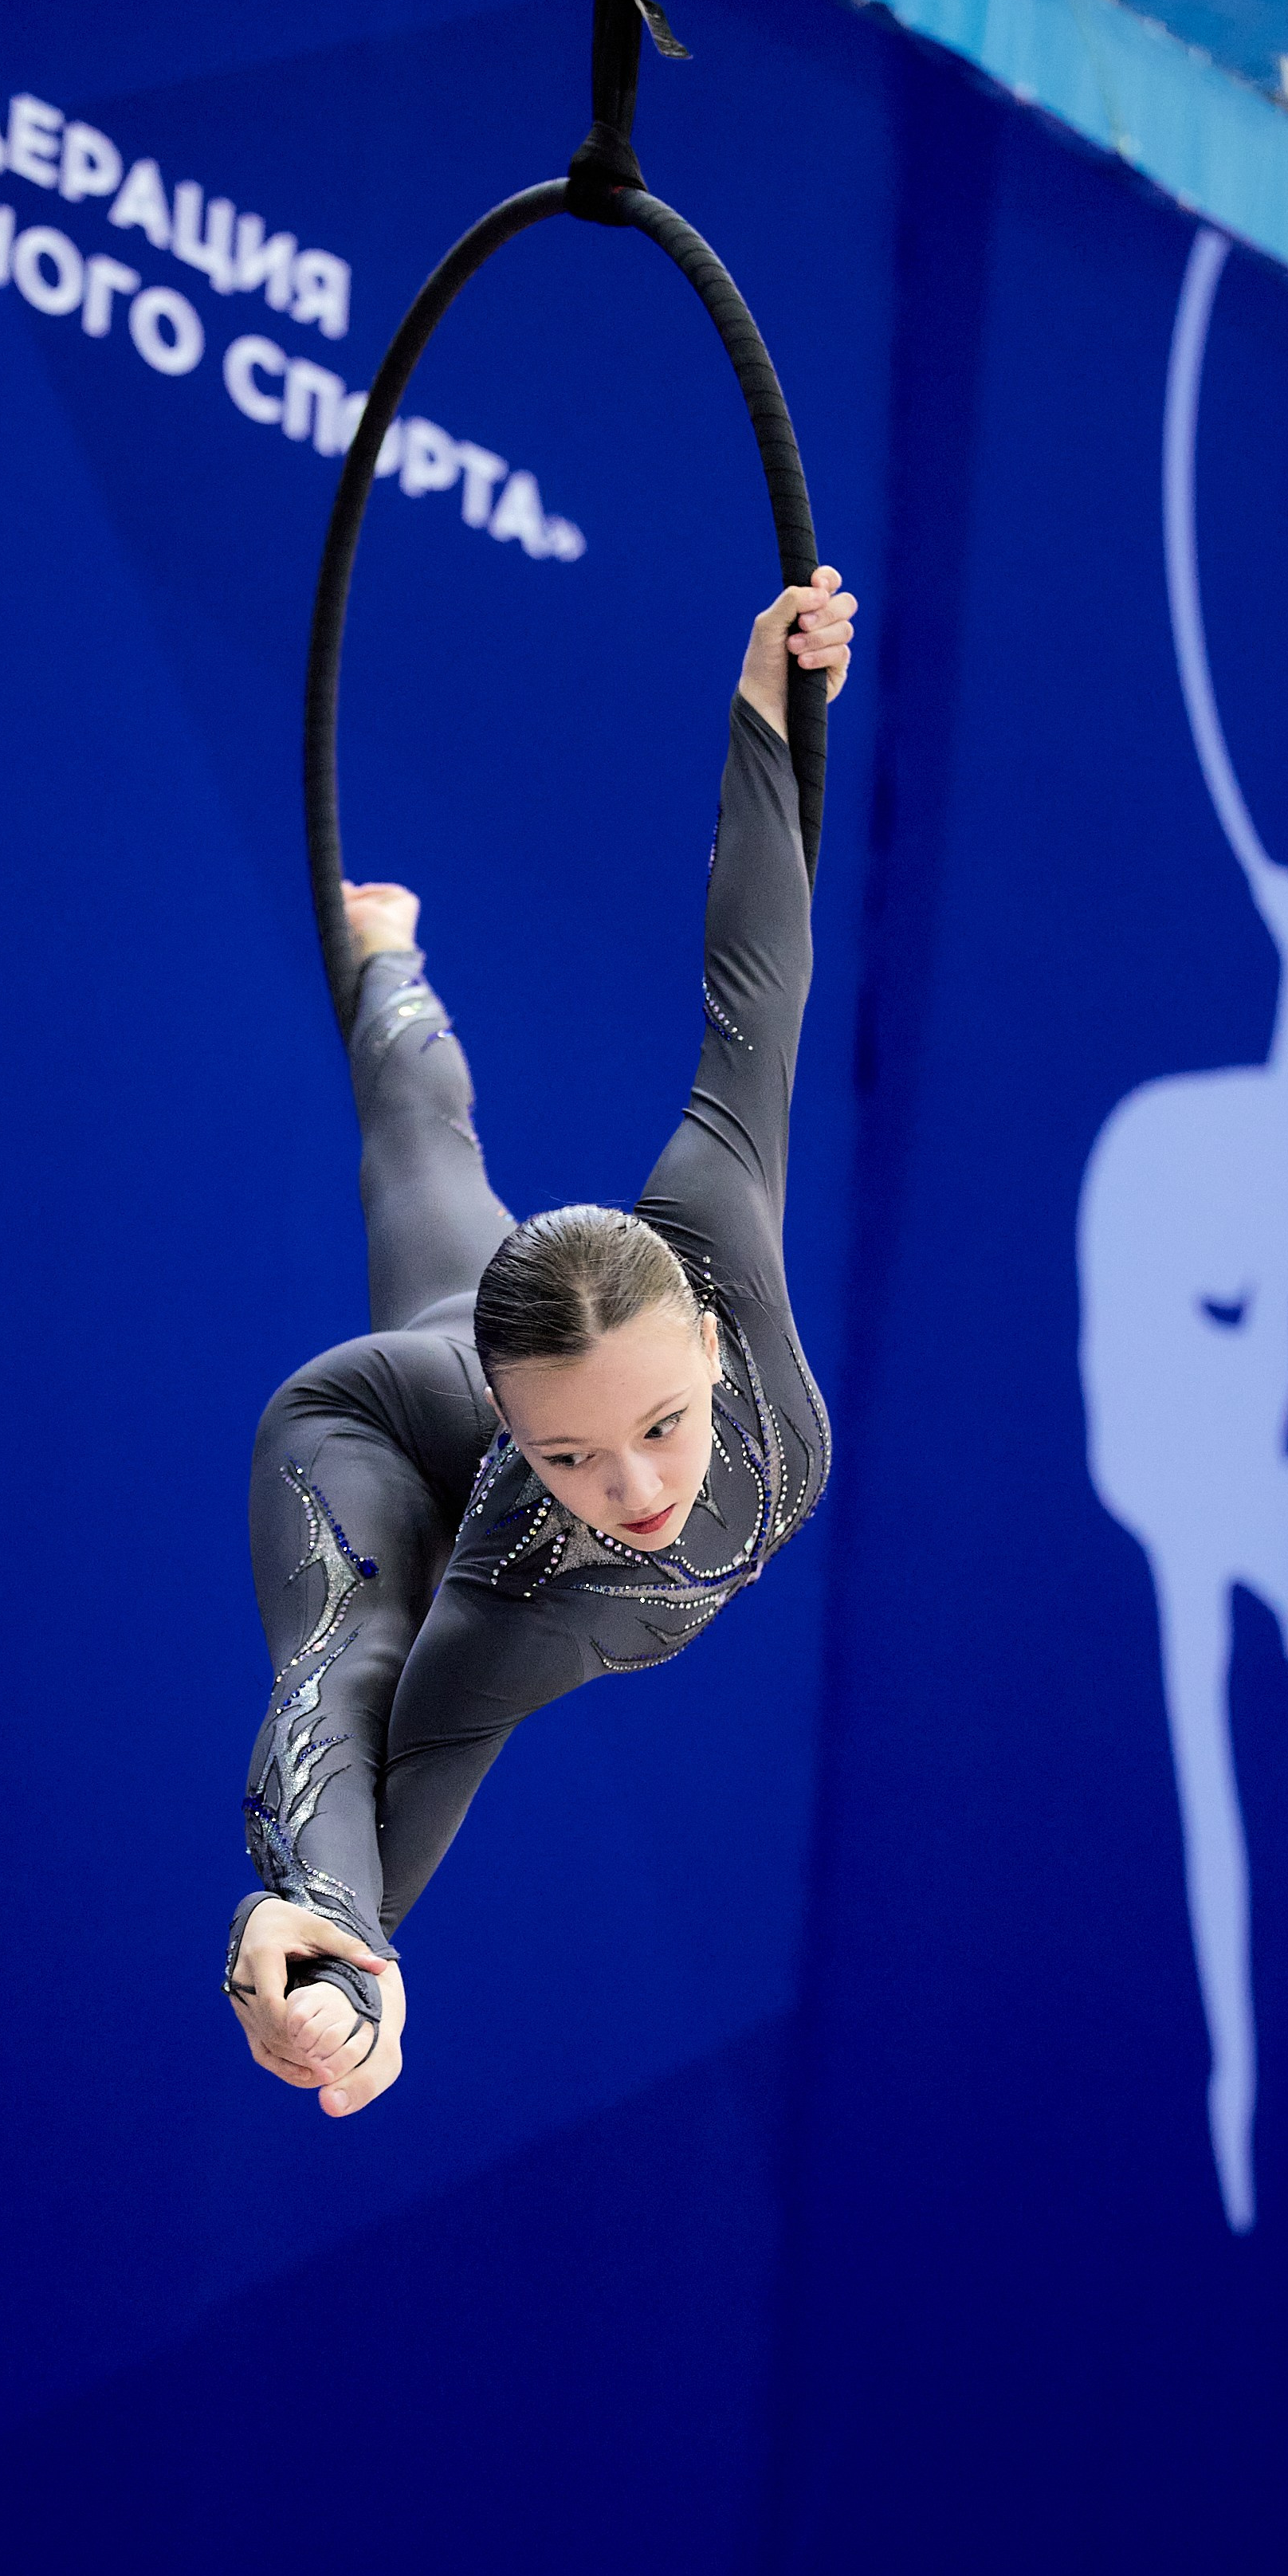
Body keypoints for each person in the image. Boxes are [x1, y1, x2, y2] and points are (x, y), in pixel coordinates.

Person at [226, 568, 858, 2115]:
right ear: (516, 1432)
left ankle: (383, 950)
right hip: (374, 1422)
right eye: (571, 1455)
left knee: (422, 1149)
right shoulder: (515, 1589)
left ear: (711, 1342)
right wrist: (327, 1963)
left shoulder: (718, 1229)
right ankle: (387, 984)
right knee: (357, 1636)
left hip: (496, 1326)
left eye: (660, 1425)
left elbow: (758, 978)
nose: (634, 1491)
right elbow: (367, 1763)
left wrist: (766, 708)